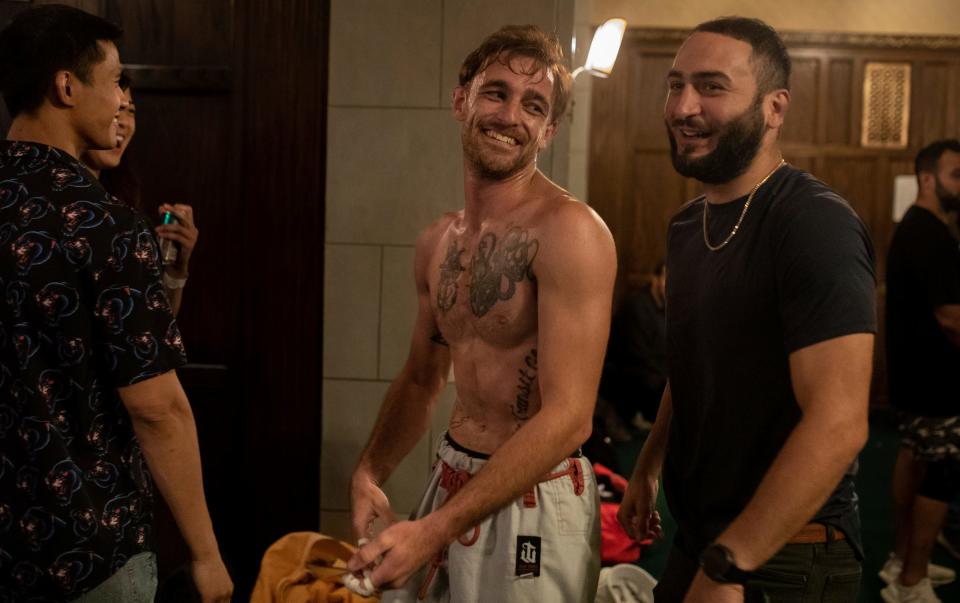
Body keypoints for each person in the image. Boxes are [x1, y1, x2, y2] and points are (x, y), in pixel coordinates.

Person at [346, 24, 616, 602]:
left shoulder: (571, 232)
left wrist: (433, 531)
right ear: (461, 100)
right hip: (451, 478)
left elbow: (571, 417)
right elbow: (422, 380)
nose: (510, 115)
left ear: (548, 131)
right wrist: (370, 470)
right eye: (496, 93)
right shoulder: (438, 242)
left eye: (534, 105)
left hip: (536, 495)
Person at [617, 16, 876, 603]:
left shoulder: (813, 223)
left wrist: (732, 565)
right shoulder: (687, 226)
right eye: (674, 84)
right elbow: (691, 364)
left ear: (774, 107)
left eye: (711, 87)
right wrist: (649, 463)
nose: (683, 107)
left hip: (788, 551)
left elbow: (839, 424)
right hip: (705, 536)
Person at [0, 5, 231, 602]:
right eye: (115, 80)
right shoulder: (103, 224)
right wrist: (206, 554)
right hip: (81, 550)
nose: (123, 98)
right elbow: (158, 408)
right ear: (66, 86)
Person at [882, 139, 960, 603]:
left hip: (916, 377)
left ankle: (901, 559)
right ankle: (911, 582)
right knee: (944, 470)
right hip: (937, 380)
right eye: (956, 175)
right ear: (928, 179)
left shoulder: (919, 227)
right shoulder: (928, 233)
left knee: (915, 457)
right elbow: (951, 318)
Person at [81, 73, 199, 316]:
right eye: (115, 108)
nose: (123, 121)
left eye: (130, 110)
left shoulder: (122, 201)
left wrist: (176, 269)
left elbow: (155, 326)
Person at [597, 261, 667, 437]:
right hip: (627, 373)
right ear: (656, 279)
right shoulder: (636, 306)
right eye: (669, 279)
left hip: (655, 372)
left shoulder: (667, 309)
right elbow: (635, 356)